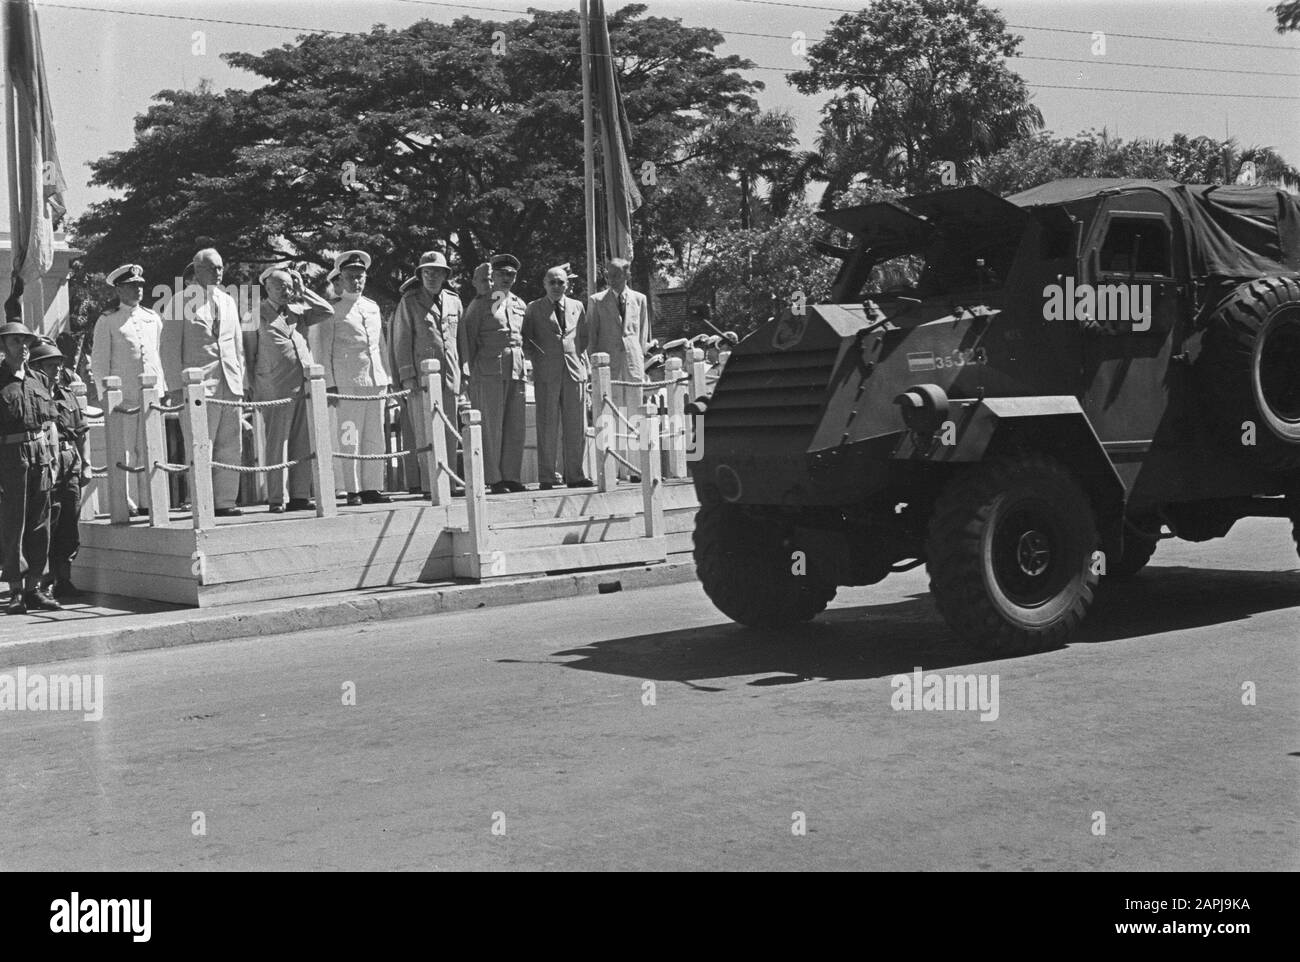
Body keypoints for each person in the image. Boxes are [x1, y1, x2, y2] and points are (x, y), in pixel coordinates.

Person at [160, 248, 248, 517]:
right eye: (211, 267)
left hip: (229, 384)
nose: (218, 272)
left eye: (221, 267)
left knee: (231, 445)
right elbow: (169, 348)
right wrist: (175, 388)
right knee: (201, 445)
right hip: (199, 387)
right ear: (197, 270)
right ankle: (201, 501)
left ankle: (225, 501)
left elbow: (237, 345)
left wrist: (241, 383)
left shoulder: (229, 301)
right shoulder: (179, 302)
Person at [246, 267, 334, 512]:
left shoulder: (298, 311)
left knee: (302, 442)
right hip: (273, 387)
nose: (285, 291)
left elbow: (327, 311)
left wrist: (303, 288)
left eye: (288, 286)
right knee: (278, 444)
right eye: (279, 286)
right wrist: (253, 387)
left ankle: (299, 495)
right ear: (267, 288)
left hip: (303, 386)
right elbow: (248, 354)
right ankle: (277, 498)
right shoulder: (254, 314)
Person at [309, 250, 392, 506]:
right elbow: (323, 349)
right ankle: (352, 488)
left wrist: (387, 377)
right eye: (351, 276)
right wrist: (330, 385)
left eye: (360, 276)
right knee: (349, 437)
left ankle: (372, 487)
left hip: (375, 381)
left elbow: (380, 345)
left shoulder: (372, 307)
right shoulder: (331, 310)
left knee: (374, 436)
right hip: (347, 383)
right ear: (341, 279)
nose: (356, 281)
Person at [91, 263, 166, 515]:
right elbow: (100, 364)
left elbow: (157, 356)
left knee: (150, 448)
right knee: (123, 450)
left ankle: (150, 501)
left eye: (140, 285)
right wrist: (107, 397)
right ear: (119, 289)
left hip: (150, 394)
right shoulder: (108, 320)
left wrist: (161, 390)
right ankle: (126, 501)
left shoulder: (152, 318)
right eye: (132, 286)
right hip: (122, 398)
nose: (137, 290)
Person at [391, 251, 464, 496]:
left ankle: (450, 481)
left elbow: (459, 340)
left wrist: (463, 374)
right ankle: (430, 484)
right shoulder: (410, 302)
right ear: (420, 275)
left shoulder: (454, 301)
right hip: (421, 379)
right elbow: (402, 342)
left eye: (437, 272)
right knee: (425, 433)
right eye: (427, 272)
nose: (432, 276)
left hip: (450, 376)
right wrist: (407, 376)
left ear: (445, 275)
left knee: (450, 432)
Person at [0, 319, 61, 613]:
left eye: (26, 341)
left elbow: (48, 424)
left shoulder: (39, 380)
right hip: (10, 456)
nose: (23, 347)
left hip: (40, 454)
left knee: (40, 523)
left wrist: (53, 458)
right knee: (14, 524)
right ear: (3, 347)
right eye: (15, 341)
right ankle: (15, 591)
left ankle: (35, 586)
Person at [458, 254, 528, 494]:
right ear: (493, 276)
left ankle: (511, 475)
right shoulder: (480, 304)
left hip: (516, 370)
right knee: (491, 426)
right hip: (488, 370)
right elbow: (468, 340)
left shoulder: (519, 304)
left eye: (511, 274)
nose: (507, 278)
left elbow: (523, 338)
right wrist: (467, 373)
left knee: (514, 425)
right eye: (501, 274)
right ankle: (493, 477)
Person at [29, 338, 91, 599]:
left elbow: (81, 433)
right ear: (36, 367)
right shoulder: (32, 395)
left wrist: (86, 464)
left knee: (69, 524)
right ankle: (42, 583)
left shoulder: (67, 395)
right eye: (50, 365)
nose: (56, 370)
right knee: (46, 525)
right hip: (45, 464)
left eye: (58, 365)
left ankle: (64, 579)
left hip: (69, 463)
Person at [523, 265, 592, 489]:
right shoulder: (533, 308)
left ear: (568, 284)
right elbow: (527, 340)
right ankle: (547, 475)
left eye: (560, 282)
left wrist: (581, 365)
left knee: (576, 426)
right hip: (546, 374)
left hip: (573, 373)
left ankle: (575, 474)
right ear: (544, 284)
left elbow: (582, 338)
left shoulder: (578, 306)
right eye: (551, 282)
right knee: (547, 425)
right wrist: (538, 362)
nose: (556, 286)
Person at [588, 257, 651, 481]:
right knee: (611, 416)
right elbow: (592, 336)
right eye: (609, 275)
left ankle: (635, 468)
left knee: (635, 414)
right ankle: (612, 470)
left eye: (617, 275)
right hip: (608, 366)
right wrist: (594, 367)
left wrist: (637, 355)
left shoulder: (640, 299)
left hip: (632, 363)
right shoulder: (596, 301)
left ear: (627, 275)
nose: (612, 279)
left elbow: (642, 333)